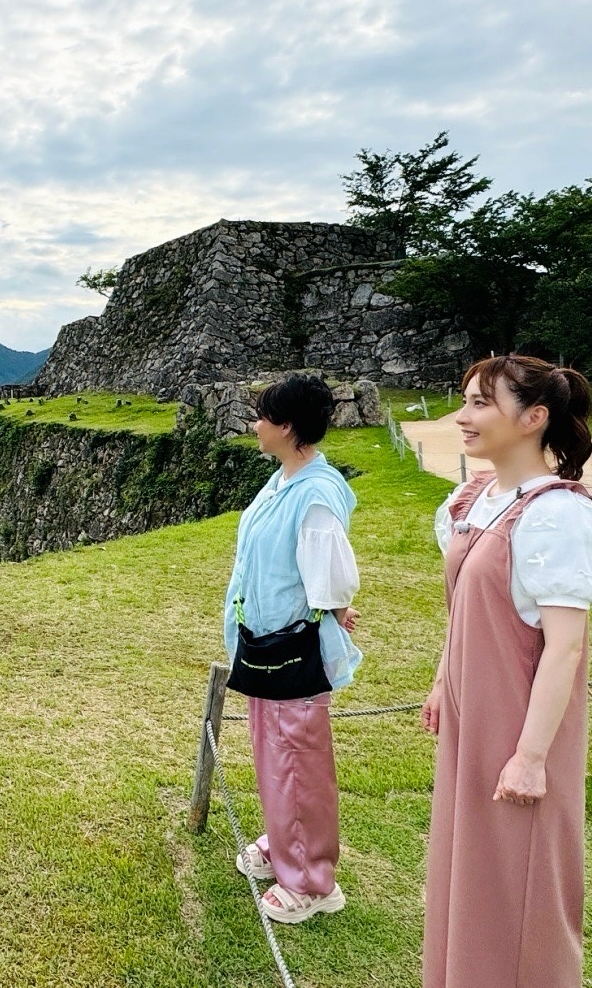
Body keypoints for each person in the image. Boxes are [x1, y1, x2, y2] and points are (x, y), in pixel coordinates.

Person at [421, 355, 592, 988]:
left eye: (481, 403)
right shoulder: (475, 498)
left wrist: (532, 756)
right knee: (470, 863)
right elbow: (464, 610)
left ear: (534, 418)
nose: (463, 416)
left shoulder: (557, 516)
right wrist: (441, 680)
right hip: (469, 712)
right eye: (466, 401)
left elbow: (564, 648)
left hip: (519, 721)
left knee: (518, 878)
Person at [221, 372, 364, 924]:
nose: (254, 425)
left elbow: (328, 578)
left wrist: (335, 607)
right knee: (276, 755)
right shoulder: (286, 479)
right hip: (265, 643)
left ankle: (310, 880)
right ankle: (286, 844)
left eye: (261, 416)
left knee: (298, 761)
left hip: (293, 650)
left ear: (286, 426)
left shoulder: (315, 496)